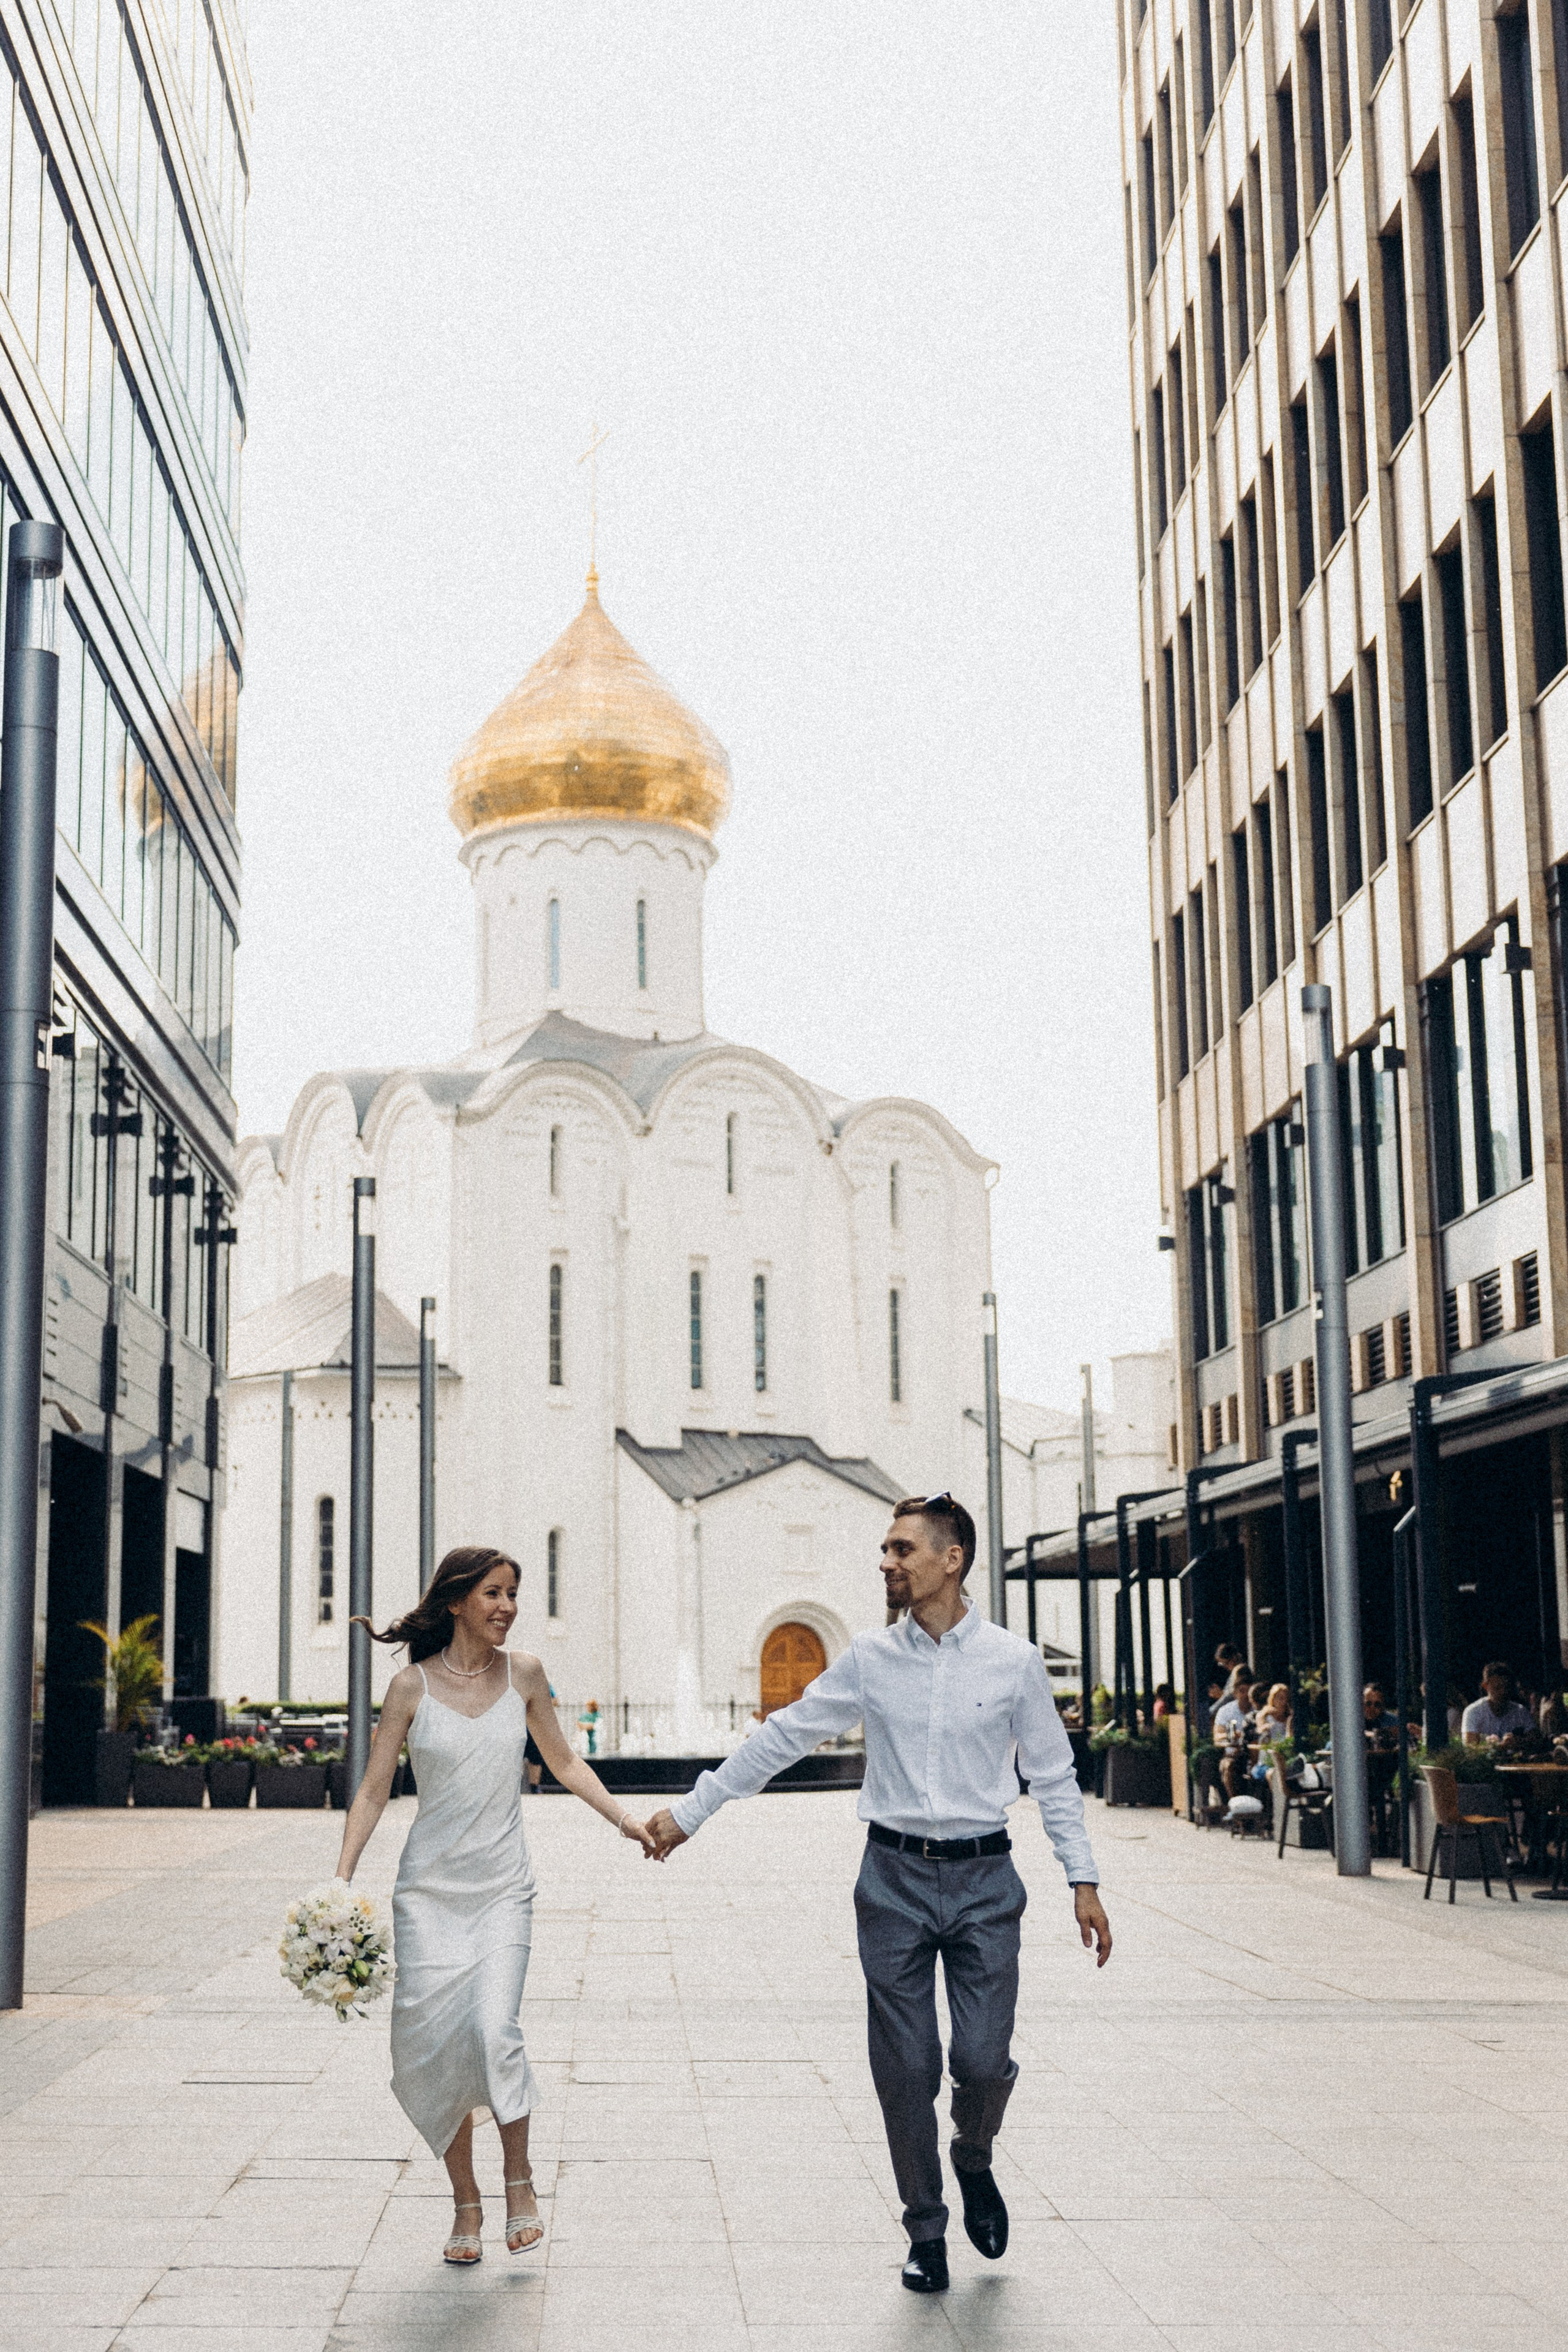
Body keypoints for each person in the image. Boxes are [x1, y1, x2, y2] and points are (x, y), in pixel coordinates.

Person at [644, 1493, 1111, 2296]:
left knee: (981, 2060)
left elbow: (1055, 1775)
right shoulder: (868, 1657)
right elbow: (784, 1735)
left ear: (951, 1558)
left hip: (985, 1879)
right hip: (891, 1878)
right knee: (905, 2067)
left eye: (901, 1550)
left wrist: (1083, 1877)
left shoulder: (1013, 1661)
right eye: (886, 1551)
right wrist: (693, 1812)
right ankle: (925, 2231)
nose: (887, 1562)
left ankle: (973, 2152)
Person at [336, 1546, 656, 2264]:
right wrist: (342, 1879)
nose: (508, 1606)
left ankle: (519, 2181)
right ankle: (465, 2203)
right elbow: (373, 1789)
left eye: (513, 1593)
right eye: (493, 1593)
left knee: (492, 2029)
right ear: (456, 1602)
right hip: (427, 1896)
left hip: (503, 1889)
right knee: (432, 2049)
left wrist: (626, 1821)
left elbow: (565, 1762)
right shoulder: (410, 1689)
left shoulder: (527, 1675)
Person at [1461, 1662, 1534, 1744]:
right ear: (1486, 1686)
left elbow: (1536, 1740)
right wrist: (1498, 1747)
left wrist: (1518, 1741)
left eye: (1507, 1687)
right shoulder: (1473, 1712)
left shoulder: (1521, 1711)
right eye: (1497, 1688)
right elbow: (1470, 1747)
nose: (1503, 1692)